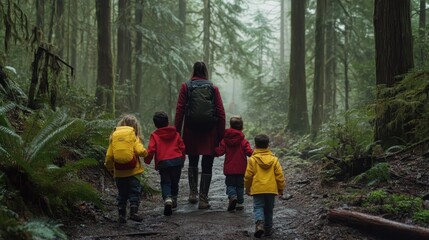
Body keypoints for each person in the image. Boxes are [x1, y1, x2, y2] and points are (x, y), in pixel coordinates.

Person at [175, 61, 226, 209]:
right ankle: (203, 198)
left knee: (192, 160)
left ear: (193, 71)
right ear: (206, 72)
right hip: (210, 131)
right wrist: (221, 136)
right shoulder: (213, 88)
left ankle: (193, 193)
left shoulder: (186, 86)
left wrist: (177, 132)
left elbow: (180, 110)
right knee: (207, 163)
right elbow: (221, 112)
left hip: (191, 129)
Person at [104, 114, 148, 223]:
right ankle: (134, 213)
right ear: (136, 126)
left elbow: (109, 156)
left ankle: (121, 215)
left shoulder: (114, 136)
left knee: (121, 194)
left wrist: (111, 169)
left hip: (119, 173)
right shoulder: (133, 136)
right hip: (134, 172)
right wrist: (146, 153)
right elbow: (140, 151)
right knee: (134, 192)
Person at [144, 112, 186, 216]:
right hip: (176, 160)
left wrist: (147, 160)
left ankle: (168, 199)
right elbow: (182, 147)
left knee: (166, 182)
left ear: (155, 124)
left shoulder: (154, 135)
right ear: (168, 122)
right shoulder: (175, 133)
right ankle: (174, 200)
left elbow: (151, 149)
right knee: (175, 182)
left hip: (163, 162)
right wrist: (182, 159)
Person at [244, 134, 285, 238]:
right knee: (269, 209)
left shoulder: (253, 160)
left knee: (258, 207)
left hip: (258, 189)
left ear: (255, 145)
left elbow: (248, 176)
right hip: (271, 189)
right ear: (268, 145)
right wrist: (280, 188)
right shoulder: (274, 159)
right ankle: (268, 229)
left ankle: (259, 224)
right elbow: (279, 176)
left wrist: (247, 188)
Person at [215, 115, 253, 212]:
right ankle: (240, 203)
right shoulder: (243, 141)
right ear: (242, 127)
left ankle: (232, 196)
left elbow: (220, 151)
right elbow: (249, 152)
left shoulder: (225, 140)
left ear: (230, 126)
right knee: (240, 186)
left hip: (229, 168)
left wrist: (213, 149)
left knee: (230, 185)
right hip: (241, 169)